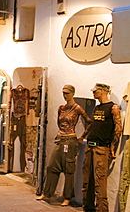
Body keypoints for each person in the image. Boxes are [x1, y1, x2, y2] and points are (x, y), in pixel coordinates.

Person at [36, 85, 93, 206]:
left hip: (70, 140)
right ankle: (47, 192)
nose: (65, 95)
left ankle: (68, 197)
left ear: (72, 93)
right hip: (60, 138)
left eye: (67, 93)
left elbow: (90, 122)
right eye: (64, 93)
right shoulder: (61, 108)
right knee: (52, 166)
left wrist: (82, 136)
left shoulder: (77, 108)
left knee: (69, 169)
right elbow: (59, 122)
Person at [79, 83, 122, 212]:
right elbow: (93, 124)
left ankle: (102, 210)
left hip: (101, 148)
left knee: (100, 182)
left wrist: (113, 147)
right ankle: (88, 207)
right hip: (90, 147)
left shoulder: (113, 108)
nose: (93, 93)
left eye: (95, 91)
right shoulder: (97, 108)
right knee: (87, 181)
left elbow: (118, 128)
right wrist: (83, 136)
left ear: (103, 91)